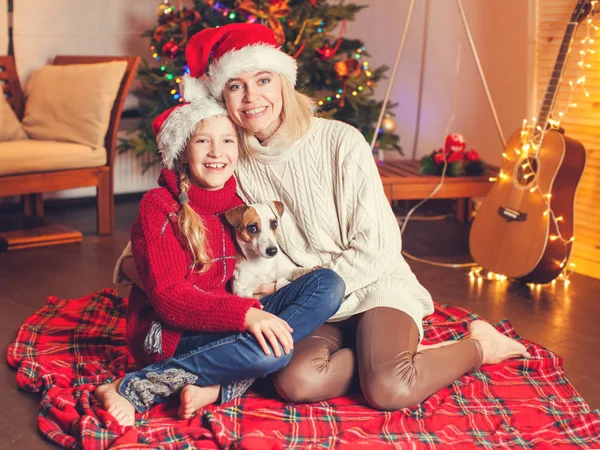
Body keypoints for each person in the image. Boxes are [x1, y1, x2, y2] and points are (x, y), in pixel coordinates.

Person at [118, 23, 530, 412]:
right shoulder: (233, 157)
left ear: (283, 82)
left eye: (263, 80)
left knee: (389, 387)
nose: (251, 98)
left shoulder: (341, 142)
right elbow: (182, 214)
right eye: (235, 87)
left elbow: (380, 248)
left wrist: (303, 296)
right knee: (296, 383)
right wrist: (140, 268)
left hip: (371, 285)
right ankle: (392, 355)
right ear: (222, 98)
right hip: (308, 303)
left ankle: (479, 345)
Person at [95, 93, 346, 427]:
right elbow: (170, 299)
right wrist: (248, 316)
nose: (217, 152)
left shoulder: (240, 206)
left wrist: (256, 306)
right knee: (275, 350)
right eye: (203, 141)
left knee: (328, 284)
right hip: (171, 332)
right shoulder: (158, 206)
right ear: (183, 151)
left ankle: (214, 385)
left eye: (227, 140)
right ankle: (131, 388)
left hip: (226, 318)